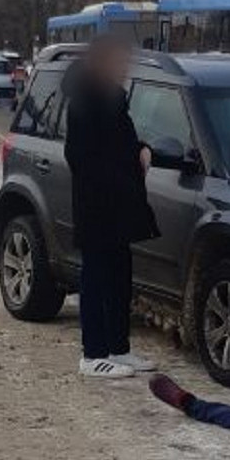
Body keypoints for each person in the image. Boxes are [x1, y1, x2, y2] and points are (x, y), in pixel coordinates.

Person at [64, 34, 160, 379]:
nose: (124, 68)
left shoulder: (113, 99)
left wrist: (143, 150)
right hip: (98, 207)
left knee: (120, 278)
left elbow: (124, 143)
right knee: (96, 278)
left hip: (119, 207)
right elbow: (80, 157)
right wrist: (118, 178)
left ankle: (119, 348)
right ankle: (93, 355)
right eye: (119, 62)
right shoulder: (85, 101)